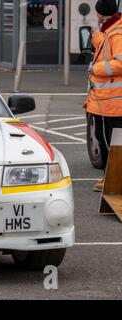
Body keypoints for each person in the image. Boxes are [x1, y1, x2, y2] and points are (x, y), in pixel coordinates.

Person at [85, 0, 122, 192]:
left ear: (102, 13)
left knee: (111, 143)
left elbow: (120, 63)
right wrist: (97, 39)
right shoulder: (109, 32)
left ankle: (112, 181)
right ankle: (110, 179)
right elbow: (108, 52)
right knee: (105, 138)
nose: (96, 15)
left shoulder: (117, 33)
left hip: (113, 101)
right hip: (105, 100)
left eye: (97, 12)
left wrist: (95, 68)